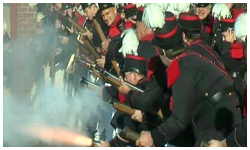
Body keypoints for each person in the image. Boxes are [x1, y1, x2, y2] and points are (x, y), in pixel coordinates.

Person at [136, 13, 242, 147]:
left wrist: (152, 136)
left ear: (163, 52)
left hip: (216, 122)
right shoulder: (190, 58)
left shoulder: (182, 68)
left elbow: (179, 121)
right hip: (226, 114)